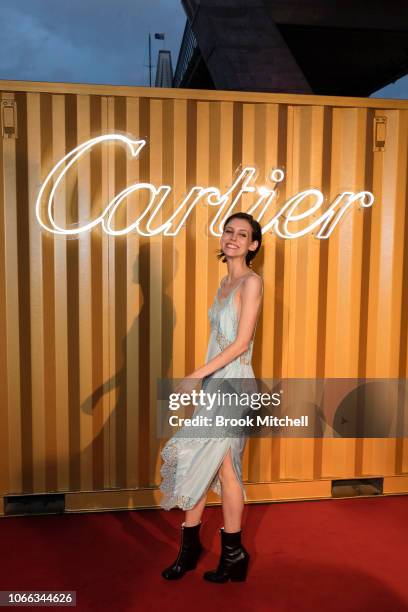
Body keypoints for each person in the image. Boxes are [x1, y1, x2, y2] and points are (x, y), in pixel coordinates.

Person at [159, 212, 264, 583]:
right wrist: (203, 379)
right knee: (208, 464)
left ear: (253, 245)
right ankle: (198, 552)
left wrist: (194, 374)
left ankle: (226, 554)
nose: (233, 238)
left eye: (242, 234)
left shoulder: (251, 282)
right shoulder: (224, 281)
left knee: (219, 466)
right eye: (229, 231)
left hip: (233, 385)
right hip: (214, 385)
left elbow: (241, 344)